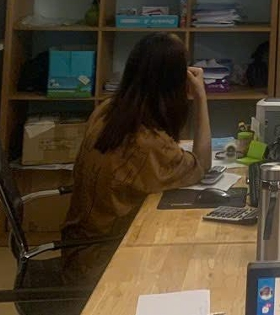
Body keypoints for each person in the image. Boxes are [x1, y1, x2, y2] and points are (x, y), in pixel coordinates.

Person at [61, 32, 211, 283]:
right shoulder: (148, 144)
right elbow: (202, 164)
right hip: (103, 260)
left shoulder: (107, 110)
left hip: (80, 247)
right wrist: (201, 97)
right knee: (194, 263)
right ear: (173, 85)